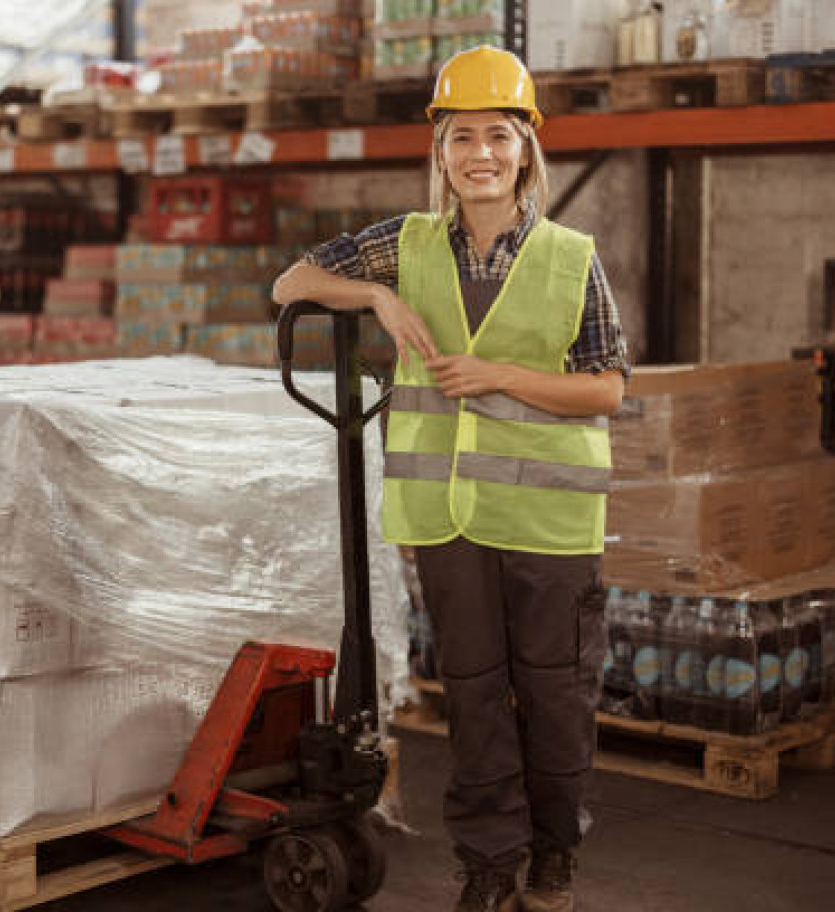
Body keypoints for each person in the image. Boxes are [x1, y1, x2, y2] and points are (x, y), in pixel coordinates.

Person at [272, 46, 631, 912]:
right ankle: (490, 866)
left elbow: (609, 386)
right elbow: (290, 281)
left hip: (547, 527)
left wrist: (500, 377)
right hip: (450, 522)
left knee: (553, 700)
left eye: (498, 135)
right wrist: (376, 302)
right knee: (473, 703)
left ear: (525, 151)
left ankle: (552, 858)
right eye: (461, 135)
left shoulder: (569, 256)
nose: (480, 153)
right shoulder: (405, 244)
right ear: (440, 152)